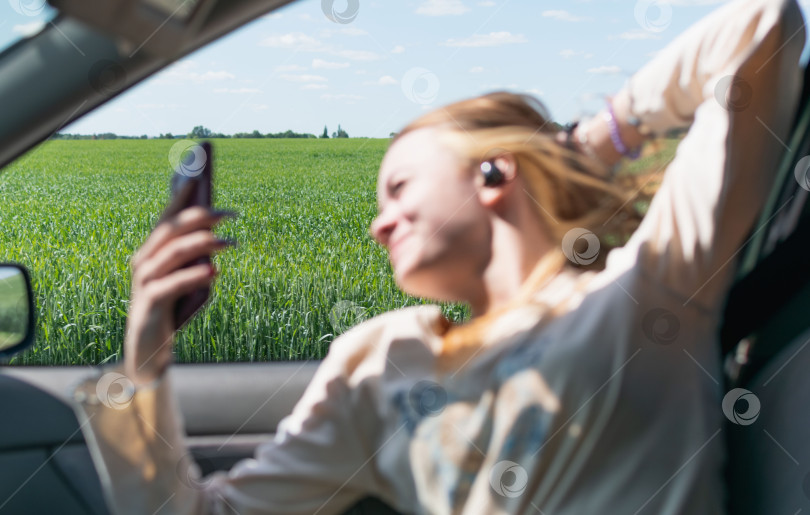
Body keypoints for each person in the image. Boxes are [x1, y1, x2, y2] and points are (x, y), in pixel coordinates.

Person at [71, 0, 806, 513]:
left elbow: (759, 30)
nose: (377, 226)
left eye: (397, 188)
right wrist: (145, 359)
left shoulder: (648, 290)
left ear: (494, 174)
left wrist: (587, 144)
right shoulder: (378, 359)